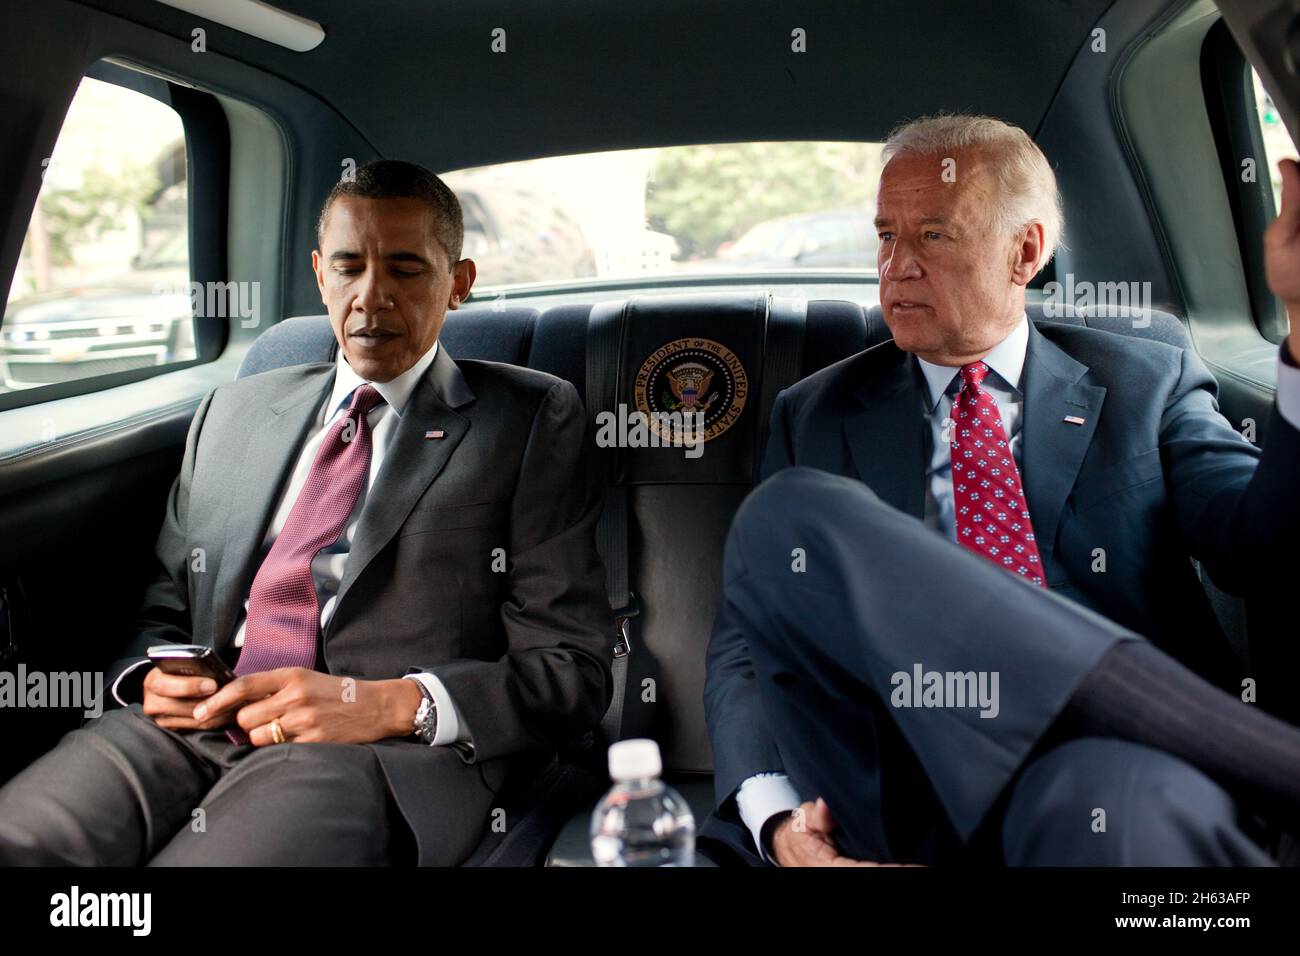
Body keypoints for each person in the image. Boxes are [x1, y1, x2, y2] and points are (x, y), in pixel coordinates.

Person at [703, 115, 1300, 866]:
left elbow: (1266, 552)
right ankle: (1261, 757)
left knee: (1128, 808)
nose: (896, 265)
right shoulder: (816, 413)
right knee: (783, 518)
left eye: (934, 236)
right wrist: (778, 821)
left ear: (1026, 252)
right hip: (902, 776)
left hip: (1106, 773)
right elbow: (747, 651)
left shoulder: (1145, 381)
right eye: (886, 235)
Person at [0, 160, 614, 865]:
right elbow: (163, 609)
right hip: (185, 728)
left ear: (459, 284)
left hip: (370, 753)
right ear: (321, 275)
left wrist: (390, 705)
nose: (371, 297)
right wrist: (152, 676)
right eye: (349, 268)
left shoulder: (529, 419)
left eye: (407, 270)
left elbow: (571, 671)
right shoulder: (232, 413)